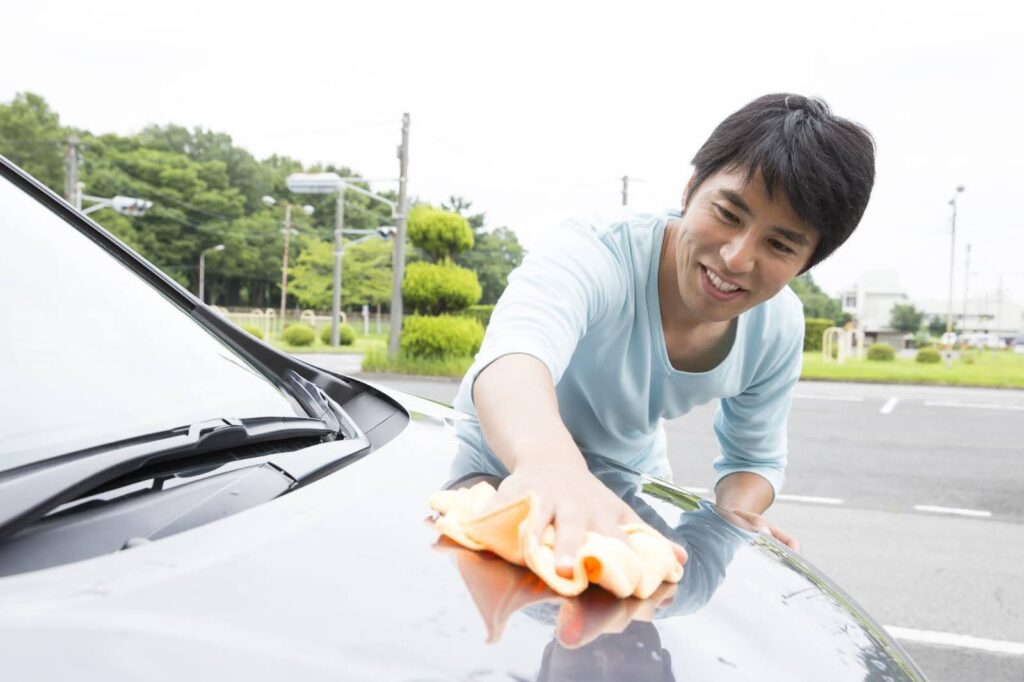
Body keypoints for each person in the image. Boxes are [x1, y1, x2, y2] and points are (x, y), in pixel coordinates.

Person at [450, 93, 875, 579]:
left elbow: (754, 458)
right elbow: (515, 358)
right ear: (691, 188)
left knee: (652, 619)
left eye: (779, 244)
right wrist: (551, 466)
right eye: (729, 214)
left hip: (626, 484)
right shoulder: (594, 250)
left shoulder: (777, 326)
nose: (737, 257)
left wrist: (733, 515)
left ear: (807, 263)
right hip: (492, 463)